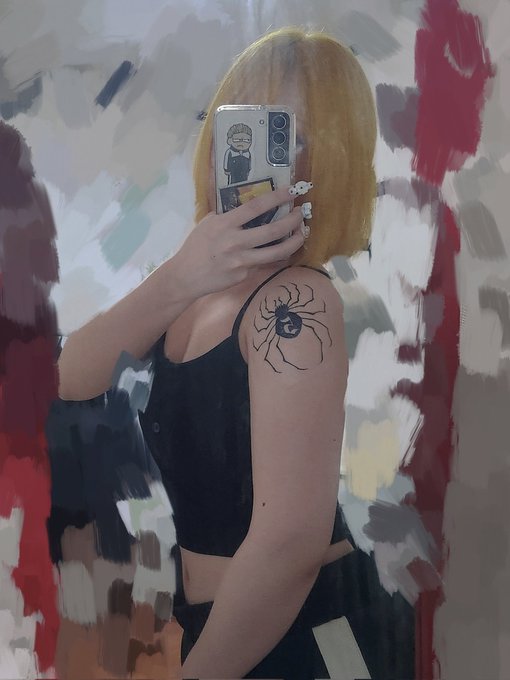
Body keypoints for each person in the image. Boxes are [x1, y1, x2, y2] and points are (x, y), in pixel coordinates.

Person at [60, 27, 414, 680]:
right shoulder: (187, 288)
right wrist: (181, 273)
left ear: (329, 158)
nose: (253, 156)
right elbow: (70, 377)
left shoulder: (300, 300)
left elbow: (290, 546)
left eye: (290, 137)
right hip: (223, 632)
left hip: (313, 636)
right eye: (240, 126)